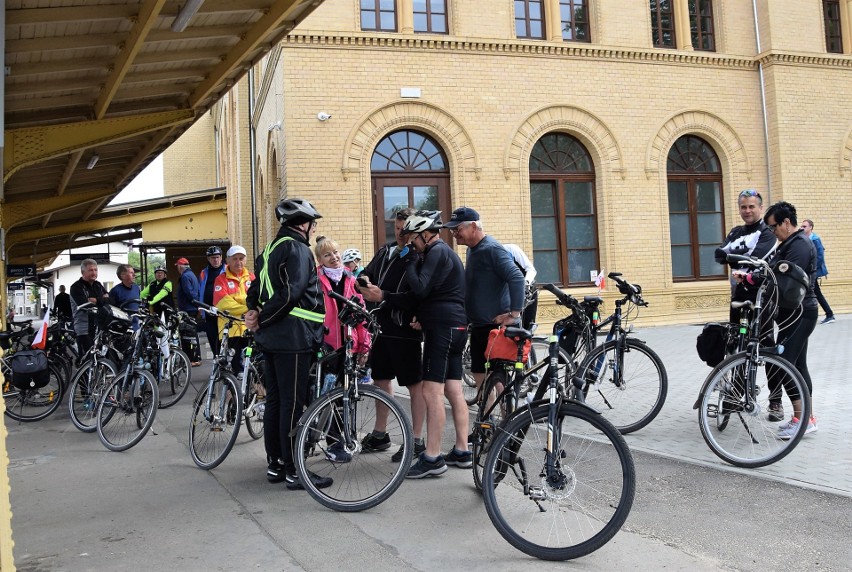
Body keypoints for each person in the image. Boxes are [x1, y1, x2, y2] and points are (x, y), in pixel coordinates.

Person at [360, 210, 468, 479]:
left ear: (424, 234)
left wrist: (408, 261)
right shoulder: (442, 253)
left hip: (442, 328)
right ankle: (462, 450)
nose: (410, 243)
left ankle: (431, 456)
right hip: (455, 326)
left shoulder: (436, 251)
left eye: (413, 238)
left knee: (432, 393)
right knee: (453, 389)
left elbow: (418, 288)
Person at [244, 198, 330, 491]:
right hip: (293, 337)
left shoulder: (269, 249)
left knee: (277, 402)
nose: (313, 228)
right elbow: (291, 294)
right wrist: (263, 317)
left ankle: (276, 464)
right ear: (303, 224)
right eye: (312, 223)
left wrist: (253, 312)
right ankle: (296, 470)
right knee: (292, 404)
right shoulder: (298, 249)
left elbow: (255, 288)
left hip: (272, 339)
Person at [358, 207, 426, 462]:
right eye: (397, 229)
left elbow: (418, 296)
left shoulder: (420, 256)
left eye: (405, 230)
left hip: (405, 329)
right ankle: (380, 433)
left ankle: (416, 439)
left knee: (414, 385)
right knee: (380, 379)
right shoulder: (386, 251)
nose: (400, 234)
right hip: (380, 327)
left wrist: (383, 296)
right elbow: (366, 273)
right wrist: (364, 280)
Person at [444, 207, 525, 411]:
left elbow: (516, 277)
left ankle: (507, 430)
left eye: (457, 229)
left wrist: (514, 314)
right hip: (481, 326)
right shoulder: (473, 248)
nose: (454, 234)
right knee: (482, 381)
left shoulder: (492, 249)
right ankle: (486, 428)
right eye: (452, 229)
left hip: (496, 329)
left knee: (500, 386)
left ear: (473, 227)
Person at [761, 202, 818, 438]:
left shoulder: (800, 246)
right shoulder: (789, 244)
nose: (773, 232)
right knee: (798, 365)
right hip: (792, 313)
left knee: (784, 364)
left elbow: (784, 280)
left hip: (801, 312)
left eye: (774, 227)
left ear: (786, 222)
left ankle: (802, 419)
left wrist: (762, 277)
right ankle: (806, 417)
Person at [314, 236, 372, 463]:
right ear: (320, 260)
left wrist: (364, 345)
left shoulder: (350, 279)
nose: (334, 257)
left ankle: (344, 440)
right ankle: (325, 439)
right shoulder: (315, 280)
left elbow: (361, 313)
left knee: (348, 396)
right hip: (326, 346)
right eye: (327, 255)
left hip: (349, 346)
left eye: (336, 253)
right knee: (326, 395)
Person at [715, 189, 777, 323]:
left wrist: (731, 256)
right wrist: (745, 252)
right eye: (743, 207)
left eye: (751, 206)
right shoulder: (735, 232)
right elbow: (719, 256)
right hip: (738, 291)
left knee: (762, 338)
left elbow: (755, 258)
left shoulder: (767, 231)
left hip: (761, 291)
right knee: (734, 338)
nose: (747, 211)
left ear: (760, 208)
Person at [213, 246, 255, 372]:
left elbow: (258, 298)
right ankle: (235, 390)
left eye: (241, 258)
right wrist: (248, 306)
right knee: (236, 367)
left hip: (250, 327)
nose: (238, 262)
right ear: (228, 261)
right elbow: (223, 304)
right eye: (235, 259)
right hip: (230, 330)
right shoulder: (221, 279)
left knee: (252, 365)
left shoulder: (252, 278)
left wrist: (238, 302)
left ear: (246, 259)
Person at [69, 258, 110, 358]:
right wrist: (101, 300)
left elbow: (110, 300)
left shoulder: (98, 285)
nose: (94, 272)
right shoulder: (76, 287)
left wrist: (95, 300)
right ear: (83, 272)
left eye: (95, 270)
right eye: (91, 270)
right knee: (87, 359)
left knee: (100, 359)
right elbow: (84, 304)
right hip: (84, 328)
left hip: (98, 327)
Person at [800, 219, 835, 324]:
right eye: (801, 226)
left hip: (812, 272)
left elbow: (819, 257)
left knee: (815, 293)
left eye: (804, 226)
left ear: (811, 227)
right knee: (811, 293)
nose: (802, 228)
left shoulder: (815, 239)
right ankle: (828, 314)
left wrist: (811, 269)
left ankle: (829, 314)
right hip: (807, 272)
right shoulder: (804, 239)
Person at [503, 243, 538, 330]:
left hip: (527, 292)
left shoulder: (511, 249)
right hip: (509, 295)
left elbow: (531, 269)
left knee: (527, 325)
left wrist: (525, 285)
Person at [199, 246, 226, 355]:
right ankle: (217, 363)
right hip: (208, 311)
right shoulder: (203, 273)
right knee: (212, 338)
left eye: (217, 257)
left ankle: (228, 364)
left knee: (224, 339)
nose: (215, 260)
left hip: (223, 312)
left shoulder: (227, 270)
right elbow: (200, 290)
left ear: (221, 257)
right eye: (212, 258)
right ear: (208, 259)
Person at [176, 257, 202, 365]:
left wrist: (193, 303)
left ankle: (191, 359)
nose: (177, 268)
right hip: (193, 308)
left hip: (187, 309)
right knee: (193, 334)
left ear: (181, 266)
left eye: (177, 266)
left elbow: (189, 292)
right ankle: (196, 357)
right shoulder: (192, 275)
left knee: (187, 335)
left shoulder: (185, 276)